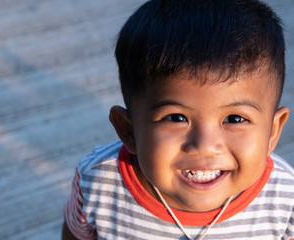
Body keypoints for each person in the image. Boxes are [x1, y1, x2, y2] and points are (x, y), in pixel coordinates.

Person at [62, 0, 294, 239]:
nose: (204, 145)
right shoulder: (98, 182)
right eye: (176, 118)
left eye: (234, 119)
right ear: (128, 131)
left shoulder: (285, 197)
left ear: (273, 132)